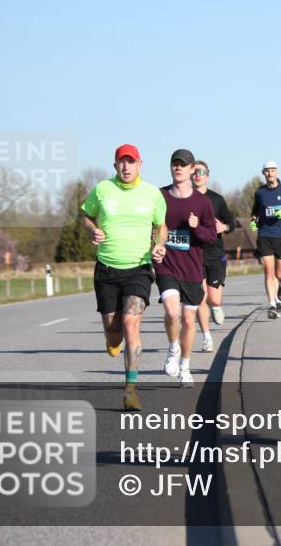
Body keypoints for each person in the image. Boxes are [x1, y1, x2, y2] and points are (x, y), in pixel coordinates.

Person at [82, 144, 167, 411]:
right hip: (107, 268)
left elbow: (161, 225)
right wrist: (92, 230)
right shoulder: (102, 190)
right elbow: (86, 216)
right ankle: (112, 339)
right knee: (114, 331)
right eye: (122, 162)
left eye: (131, 162)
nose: (127, 167)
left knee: (131, 323)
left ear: (141, 164)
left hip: (139, 268)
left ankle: (131, 389)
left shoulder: (152, 194)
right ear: (115, 165)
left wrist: (160, 244)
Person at [157, 149, 217, 387]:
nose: (178, 168)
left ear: (192, 169)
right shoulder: (160, 196)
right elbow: (150, 225)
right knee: (172, 312)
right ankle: (173, 348)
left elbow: (211, 236)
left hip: (192, 267)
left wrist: (196, 228)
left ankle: (185, 367)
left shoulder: (202, 202)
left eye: (183, 165)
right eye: (175, 164)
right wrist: (156, 244)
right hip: (166, 264)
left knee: (190, 321)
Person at [192, 160, 236, 351]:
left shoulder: (217, 199)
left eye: (201, 172)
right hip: (194, 252)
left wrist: (224, 227)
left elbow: (232, 223)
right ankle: (207, 337)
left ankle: (216, 306)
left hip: (215, 252)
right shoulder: (185, 198)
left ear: (207, 175)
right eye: (194, 172)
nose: (197, 175)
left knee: (214, 299)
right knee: (200, 297)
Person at [250, 161, 281, 319]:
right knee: (268, 272)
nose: (270, 173)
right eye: (267, 171)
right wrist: (253, 220)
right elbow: (255, 211)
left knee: (280, 273)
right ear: (263, 173)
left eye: (272, 170)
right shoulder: (260, 192)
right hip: (265, 234)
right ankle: (273, 304)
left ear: (277, 171)